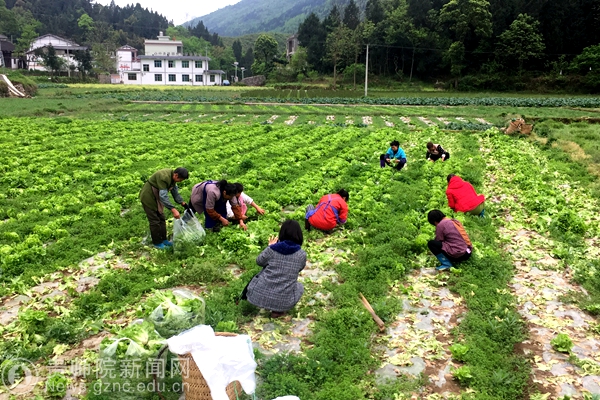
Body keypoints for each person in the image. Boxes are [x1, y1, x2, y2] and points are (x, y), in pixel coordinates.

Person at [240, 220, 306, 318]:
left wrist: (270, 246)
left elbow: (259, 261)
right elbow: (299, 268)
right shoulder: (301, 254)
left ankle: (264, 303)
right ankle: (278, 312)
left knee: (261, 278)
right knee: (299, 286)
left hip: (259, 296)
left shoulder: (272, 249)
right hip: (283, 301)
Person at [139, 167, 189, 249]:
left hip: (156, 197)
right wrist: (173, 209)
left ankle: (164, 240)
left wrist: (182, 202)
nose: (180, 181)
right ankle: (157, 243)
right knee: (155, 221)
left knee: (161, 218)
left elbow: (175, 192)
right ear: (176, 175)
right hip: (149, 196)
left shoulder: (172, 178)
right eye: (180, 180)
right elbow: (163, 196)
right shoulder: (164, 177)